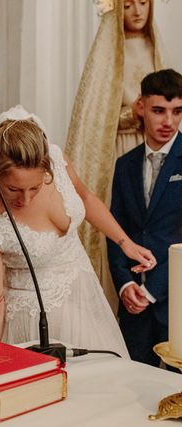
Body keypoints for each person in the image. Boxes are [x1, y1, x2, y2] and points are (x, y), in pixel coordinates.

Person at [0, 105, 156, 355]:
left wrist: (125, 242)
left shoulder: (56, 159)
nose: (25, 199)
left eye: (34, 188)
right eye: (13, 189)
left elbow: (86, 199)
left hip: (85, 298)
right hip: (35, 321)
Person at [65, 0, 165, 312]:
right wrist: (131, 115)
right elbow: (96, 113)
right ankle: (122, 291)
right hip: (121, 148)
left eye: (144, 3)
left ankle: (157, 289)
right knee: (125, 218)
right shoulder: (107, 53)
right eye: (128, 5)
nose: (137, 11)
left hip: (154, 145)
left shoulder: (155, 47)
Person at [108, 69, 182, 367]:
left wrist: (151, 291)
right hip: (133, 304)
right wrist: (126, 285)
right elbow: (116, 230)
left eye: (177, 111)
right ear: (140, 107)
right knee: (132, 386)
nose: (169, 122)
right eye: (158, 111)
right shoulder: (125, 165)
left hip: (176, 299)